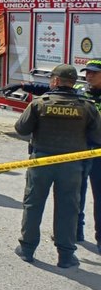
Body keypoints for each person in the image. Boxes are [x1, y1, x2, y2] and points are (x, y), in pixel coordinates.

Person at [14, 64, 101, 269]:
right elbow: (98, 136)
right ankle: (66, 255)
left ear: (54, 81)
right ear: (73, 82)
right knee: (68, 209)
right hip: (72, 166)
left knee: (33, 205)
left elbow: (21, 128)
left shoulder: (40, 104)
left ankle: (27, 249)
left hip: (41, 162)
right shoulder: (87, 106)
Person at [80, 60, 101, 251]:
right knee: (76, 193)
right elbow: (56, 90)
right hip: (79, 150)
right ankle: (75, 231)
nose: (89, 76)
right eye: (87, 72)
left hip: (99, 154)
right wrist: (23, 86)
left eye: (94, 73)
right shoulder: (81, 91)